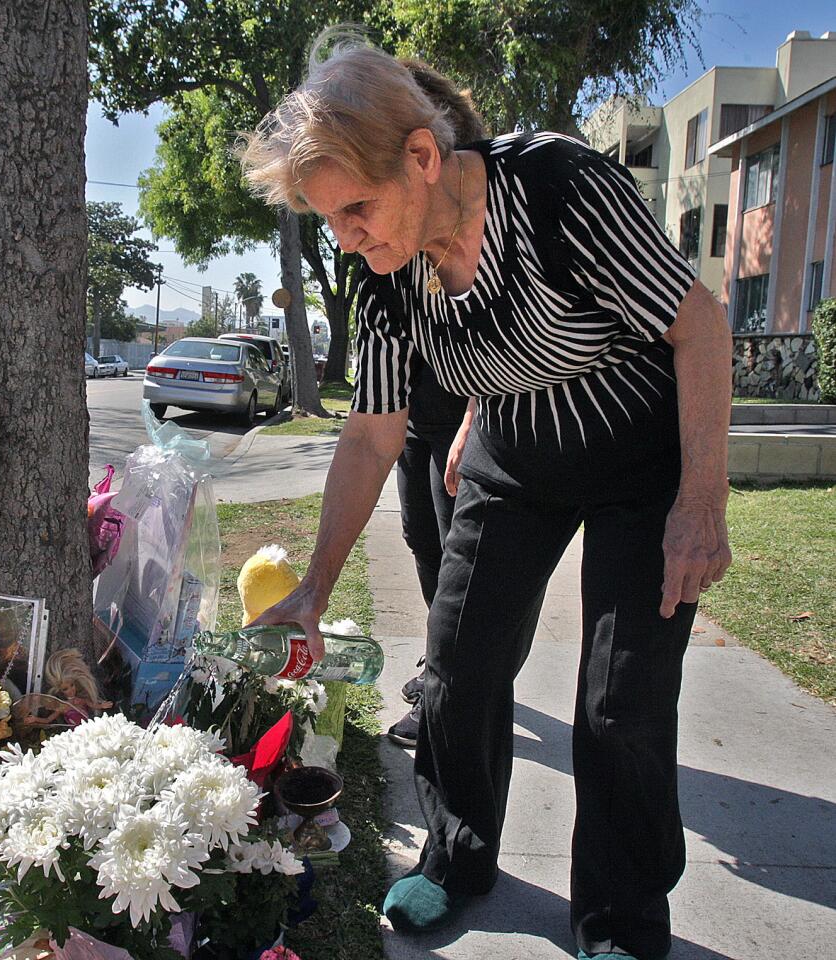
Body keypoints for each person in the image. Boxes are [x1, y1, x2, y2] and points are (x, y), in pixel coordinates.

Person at [239, 31, 732, 960]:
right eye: (329, 221)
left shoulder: (560, 189)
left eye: (357, 210)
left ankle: (620, 919)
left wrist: (700, 501)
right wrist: (313, 584)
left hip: (637, 455)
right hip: (517, 454)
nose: (349, 239)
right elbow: (374, 432)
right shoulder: (388, 280)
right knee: (458, 665)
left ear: (423, 157)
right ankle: (460, 858)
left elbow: (698, 324)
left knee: (619, 703)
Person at [387, 61, 481, 749]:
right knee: (423, 540)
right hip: (419, 420)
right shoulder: (397, 258)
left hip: (467, 420)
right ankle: (440, 660)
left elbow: (508, 340)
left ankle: (452, 690)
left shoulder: (480, 222)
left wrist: (477, 415)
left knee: (461, 561)